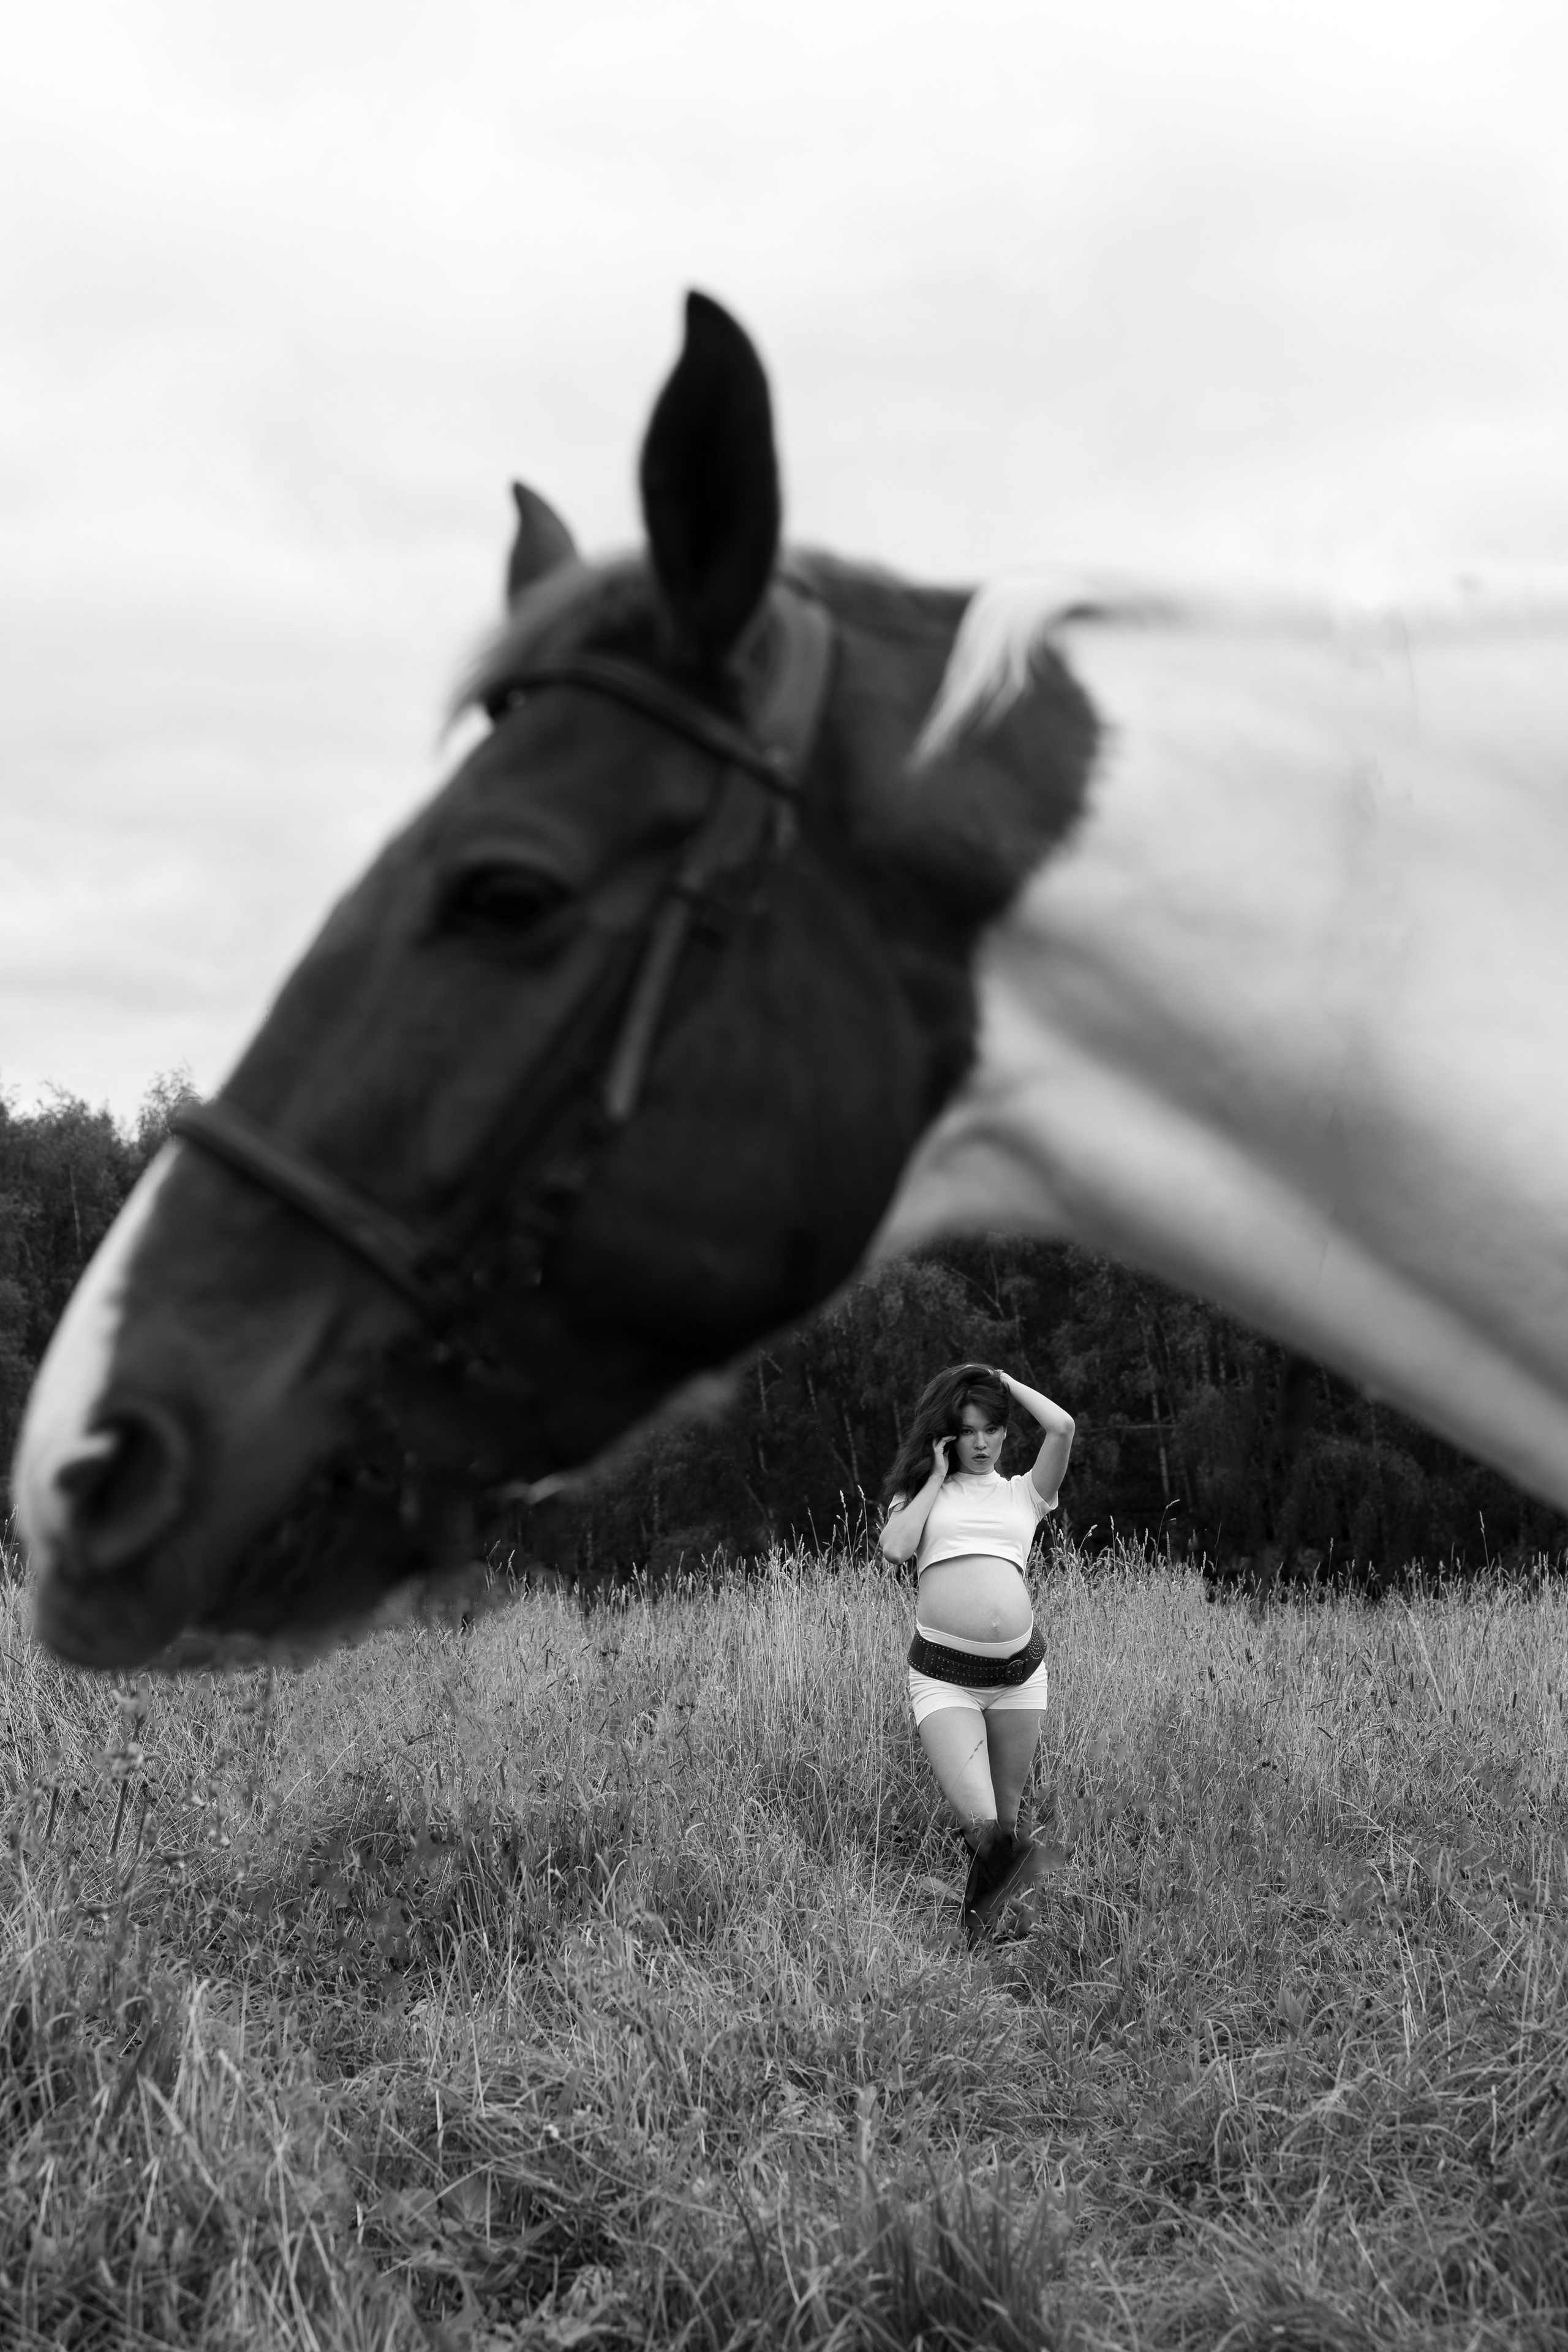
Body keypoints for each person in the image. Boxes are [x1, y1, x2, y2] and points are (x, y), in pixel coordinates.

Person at [880, 1362, 1074, 1943]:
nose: (982, 1442)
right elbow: (894, 1548)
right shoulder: (919, 1494)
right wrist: (936, 1475)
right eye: (967, 1430)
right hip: (945, 1677)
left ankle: (990, 1938)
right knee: (985, 1828)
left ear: (1006, 1431)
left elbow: (1062, 1426)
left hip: (1019, 1676)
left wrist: (1004, 1382)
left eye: (992, 1428)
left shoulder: (1027, 1494)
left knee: (1005, 1829)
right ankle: (978, 1940)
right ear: (946, 1435)